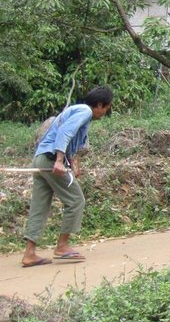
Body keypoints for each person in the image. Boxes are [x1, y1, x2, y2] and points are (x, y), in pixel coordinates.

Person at [21, 86, 114, 268]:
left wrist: (70, 165)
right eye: (107, 108)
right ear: (100, 105)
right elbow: (65, 133)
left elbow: (71, 140)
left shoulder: (76, 110)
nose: (106, 112)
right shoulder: (85, 111)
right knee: (76, 200)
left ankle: (29, 253)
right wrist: (59, 160)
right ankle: (62, 246)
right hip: (50, 160)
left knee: (40, 206)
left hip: (40, 159)